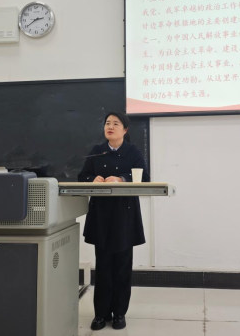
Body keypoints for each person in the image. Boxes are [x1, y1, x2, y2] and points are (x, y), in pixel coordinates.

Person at [78, 112, 150, 331]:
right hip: (101, 216)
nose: (110, 127)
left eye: (115, 124)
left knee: (122, 267)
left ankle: (119, 313)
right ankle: (101, 314)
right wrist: (93, 179)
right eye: (107, 123)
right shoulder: (97, 151)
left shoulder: (132, 152)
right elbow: (82, 177)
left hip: (124, 216)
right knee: (103, 267)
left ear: (125, 130)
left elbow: (145, 178)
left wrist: (122, 179)